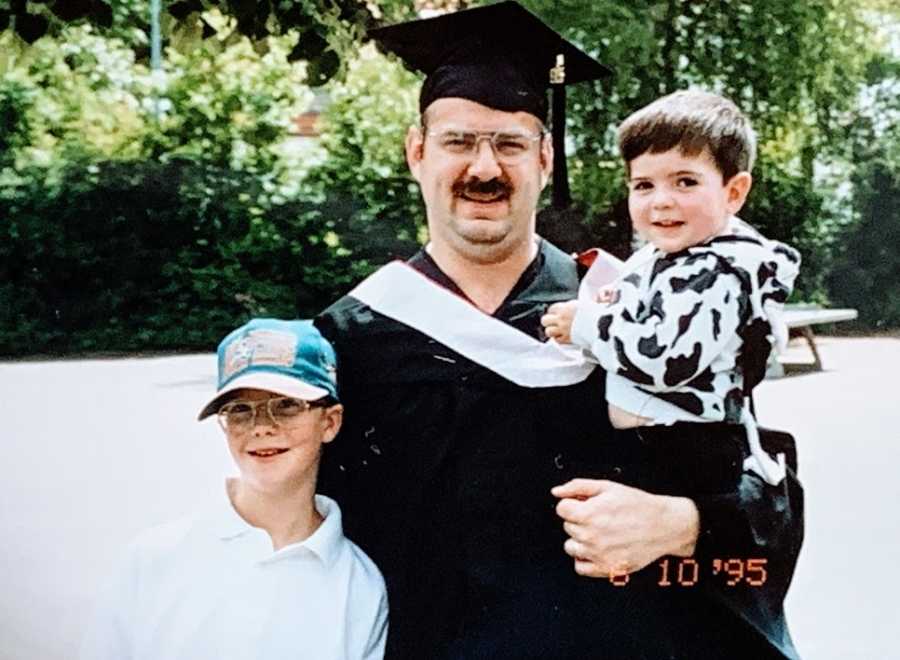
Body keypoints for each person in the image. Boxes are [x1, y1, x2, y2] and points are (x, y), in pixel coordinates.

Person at [315, 3, 802, 659]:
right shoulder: (353, 337)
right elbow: (304, 533)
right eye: (459, 141)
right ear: (416, 153)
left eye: (511, 144)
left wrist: (686, 525)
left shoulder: (631, 311)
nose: (484, 169)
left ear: (545, 159)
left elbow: (768, 503)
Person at [80, 319, 388, 660]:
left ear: (329, 422)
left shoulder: (360, 585)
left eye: (286, 405)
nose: (261, 427)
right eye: (240, 410)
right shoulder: (154, 559)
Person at [541, 89, 801, 491]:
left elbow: (665, 360)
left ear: (733, 192)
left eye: (685, 182)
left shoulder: (715, 271)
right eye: (643, 185)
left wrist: (587, 325)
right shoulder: (671, 257)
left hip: (686, 449)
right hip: (660, 439)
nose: (661, 201)